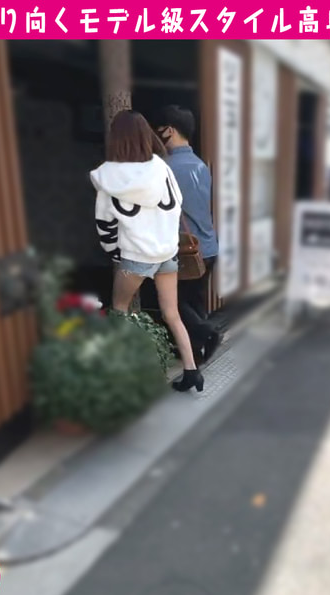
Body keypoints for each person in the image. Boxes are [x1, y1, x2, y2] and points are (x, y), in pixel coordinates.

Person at [91, 110, 203, 392]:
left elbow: (105, 222)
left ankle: (125, 377)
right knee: (172, 313)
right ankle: (192, 371)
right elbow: (177, 204)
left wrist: (114, 252)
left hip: (135, 257)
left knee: (120, 310)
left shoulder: (108, 176)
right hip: (167, 253)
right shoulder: (162, 169)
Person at [154, 105, 222, 363]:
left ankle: (207, 333)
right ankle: (195, 354)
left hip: (184, 248)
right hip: (207, 245)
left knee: (171, 303)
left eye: (158, 130)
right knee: (194, 301)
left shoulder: (165, 168)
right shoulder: (200, 165)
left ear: (169, 131)